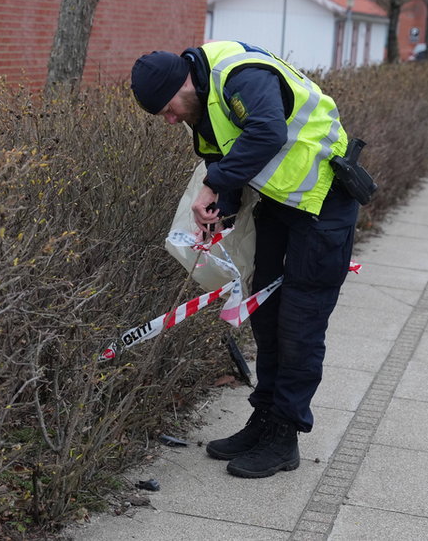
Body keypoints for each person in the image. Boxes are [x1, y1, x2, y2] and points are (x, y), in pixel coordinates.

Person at [130, 41, 359, 479]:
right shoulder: (204, 99)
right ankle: (264, 418)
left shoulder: (241, 77)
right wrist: (223, 208)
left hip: (324, 204)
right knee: (266, 315)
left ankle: (285, 435)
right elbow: (229, 154)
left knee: (300, 322)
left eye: (167, 108)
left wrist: (213, 184)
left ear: (182, 84)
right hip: (281, 204)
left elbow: (267, 132)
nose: (170, 119)